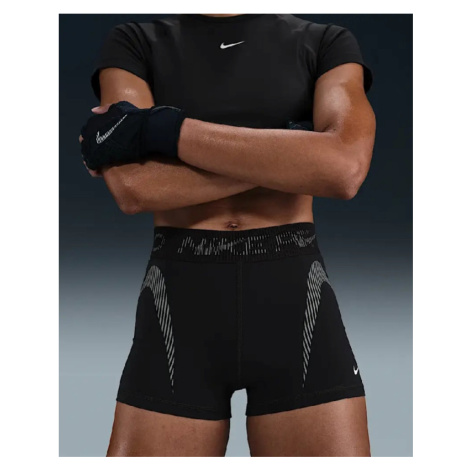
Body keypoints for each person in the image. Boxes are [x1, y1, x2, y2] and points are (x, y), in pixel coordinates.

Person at [79, 13, 376, 457]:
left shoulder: (326, 42)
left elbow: (343, 170)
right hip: (179, 306)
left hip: (294, 301)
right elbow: (136, 187)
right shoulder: (135, 42)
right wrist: (295, 152)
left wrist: (161, 130)